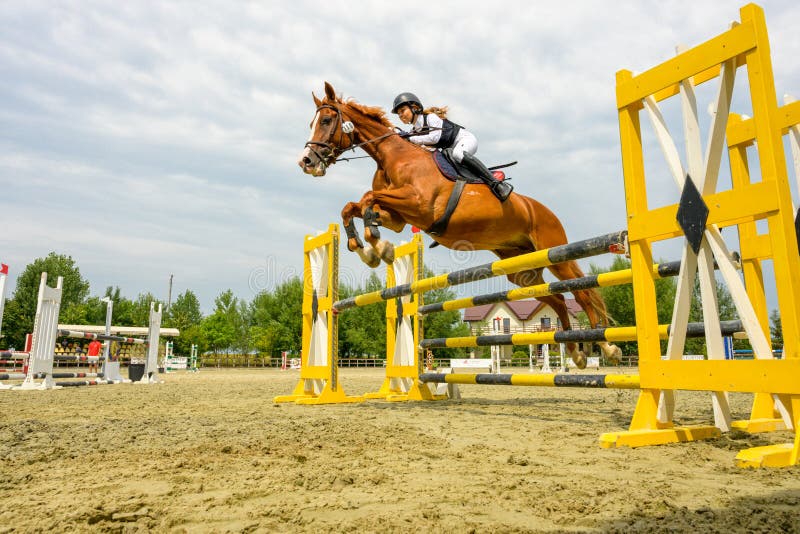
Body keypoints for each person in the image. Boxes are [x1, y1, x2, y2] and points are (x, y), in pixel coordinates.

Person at [391, 92, 513, 201]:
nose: (401, 115)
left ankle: (496, 183)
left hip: (465, 140)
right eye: (398, 114)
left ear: (414, 108)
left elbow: (435, 138)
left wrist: (409, 138)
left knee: (458, 154)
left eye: (403, 111)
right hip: (450, 150)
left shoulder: (430, 118)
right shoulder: (414, 131)